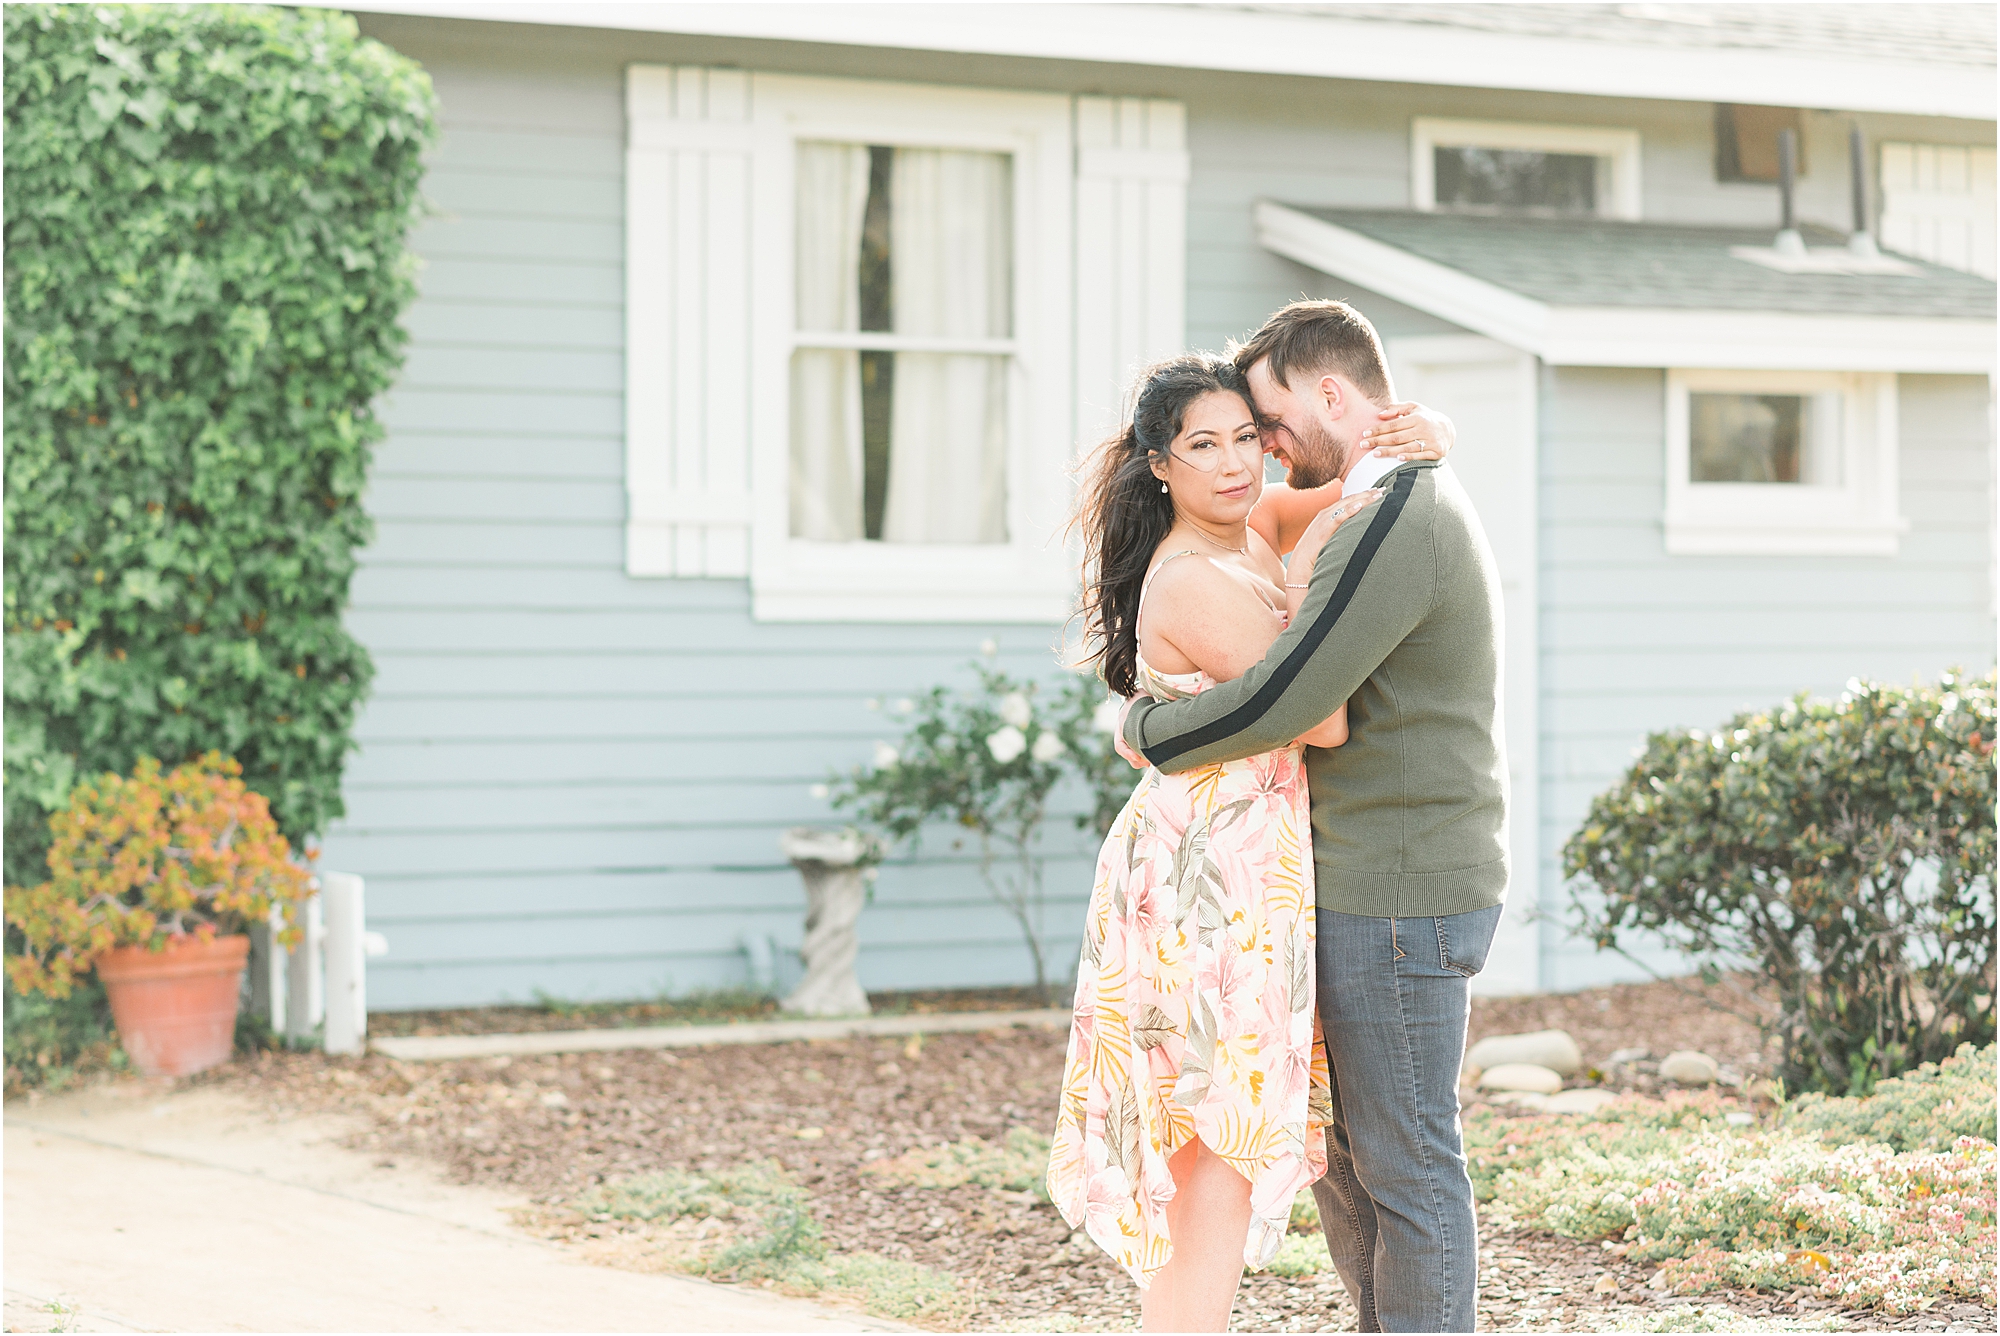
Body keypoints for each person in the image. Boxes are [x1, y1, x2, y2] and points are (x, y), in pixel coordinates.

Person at [1119, 300, 1509, 1334]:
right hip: (1345, 884)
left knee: (1404, 1164)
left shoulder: (1395, 514)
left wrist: (1149, 731)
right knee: (1350, 1164)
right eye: (1218, 437)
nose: (1259, 451)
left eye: (1264, 424)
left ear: (1329, 395)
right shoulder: (1365, 500)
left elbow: (1300, 703)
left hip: (1397, 886)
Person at [1047, 351, 1455, 1333]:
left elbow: (1347, 488)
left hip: (1242, 877)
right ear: (1158, 464)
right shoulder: (1190, 574)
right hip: (1202, 888)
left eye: (1245, 436)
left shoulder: (1247, 530)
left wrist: (1429, 434)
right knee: (1211, 1172)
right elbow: (1316, 721)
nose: (1235, 463)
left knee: (1212, 1171)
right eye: (1202, 445)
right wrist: (1316, 571)